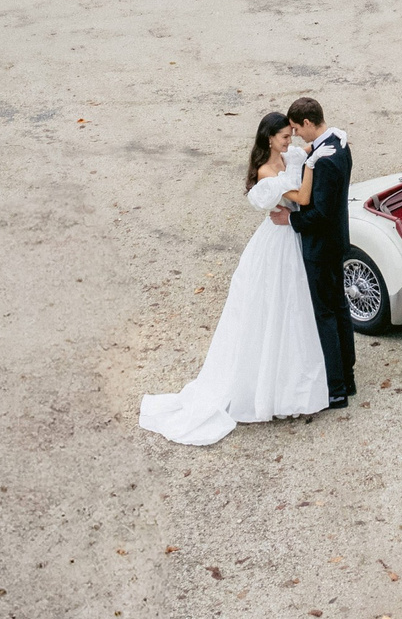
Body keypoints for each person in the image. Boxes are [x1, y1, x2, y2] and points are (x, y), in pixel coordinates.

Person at [138, 111, 329, 444]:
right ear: (269, 138)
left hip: (293, 238)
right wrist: (309, 164)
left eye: (291, 136)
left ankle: (293, 387)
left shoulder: (285, 158)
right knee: (276, 309)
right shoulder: (266, 171)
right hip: (277, 245)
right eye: (285, 137)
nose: (290, 142)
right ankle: (270, 390)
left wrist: (301, 159)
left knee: (294, 312)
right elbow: (301, 196)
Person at [283, 95, 356, 408]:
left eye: (298, 129)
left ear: (309, 123)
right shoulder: (339, 144)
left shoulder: (324, 162)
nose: (297, 135)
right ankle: (348, 377)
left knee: (326, 314)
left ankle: (336, 388)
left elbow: (320, 214)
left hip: (321, 248)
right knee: (340, 309)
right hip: (337, 241)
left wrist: (291, 218)